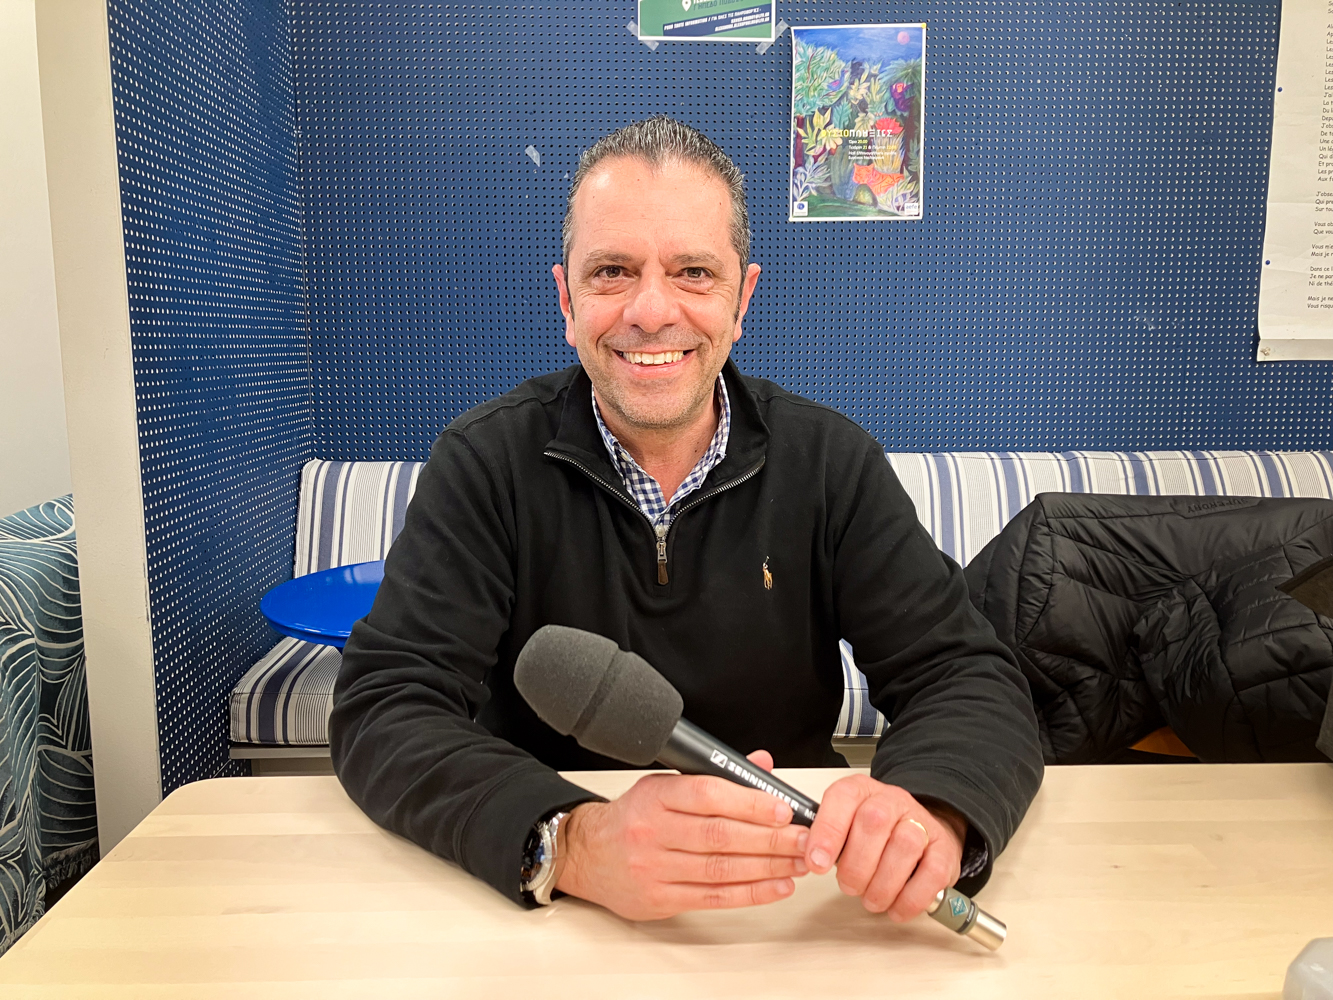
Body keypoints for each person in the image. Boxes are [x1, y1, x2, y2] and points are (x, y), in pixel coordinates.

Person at [330, 116, 1043, 924]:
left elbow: (965, 675)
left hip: (795, 897)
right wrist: (572, 840)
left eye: (693, 272)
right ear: (565, 298)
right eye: (611, 272)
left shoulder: (831, 463)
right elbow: (386, 706)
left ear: (743, 298)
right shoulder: (482, 464)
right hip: (551, 909)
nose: (650, 310)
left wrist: (933, 812)